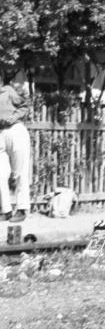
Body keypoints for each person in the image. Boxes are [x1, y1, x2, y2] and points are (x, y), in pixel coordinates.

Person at [0, 75, 32, 223]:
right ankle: (6, 211)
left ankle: (21, 209)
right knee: (1, 174)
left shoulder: (8, 91)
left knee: (20, 172)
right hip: (0, 134)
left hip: (16, 131)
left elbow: (24, 106)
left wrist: (13, 118)